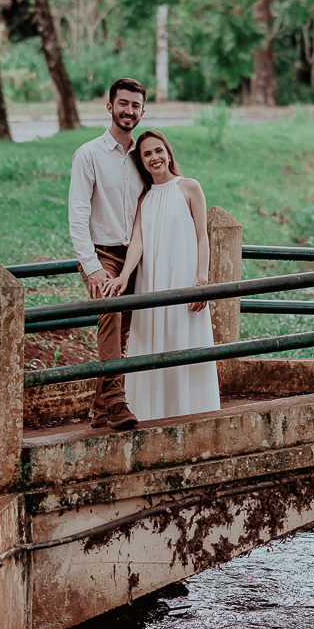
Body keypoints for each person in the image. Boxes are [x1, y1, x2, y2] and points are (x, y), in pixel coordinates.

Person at [103, 130, 221, 423]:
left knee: (183, 340)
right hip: (152, 281)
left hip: (184, 279)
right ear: (142, 163)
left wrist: (202, 282)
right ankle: (153, 413)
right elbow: (138, 243)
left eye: (158, 151)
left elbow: (202, 238)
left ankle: (191, 412)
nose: (154, 157)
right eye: (147, 154)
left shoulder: (189, 187)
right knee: (155, 340)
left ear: (168, 153)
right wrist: (124, 276)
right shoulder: (145, 199)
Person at [68, 77, 146, 430]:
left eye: (135, 105)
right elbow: (78, 213)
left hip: (135, 257)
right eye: (123, 103)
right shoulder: (89, 154)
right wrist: (92, 267)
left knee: (123, 330)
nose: (128, 111)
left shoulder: (144, 155)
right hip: (102, 255)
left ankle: (100, 408)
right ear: (110, 106)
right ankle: (116, 403)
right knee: (110, 318)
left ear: (142, 110)